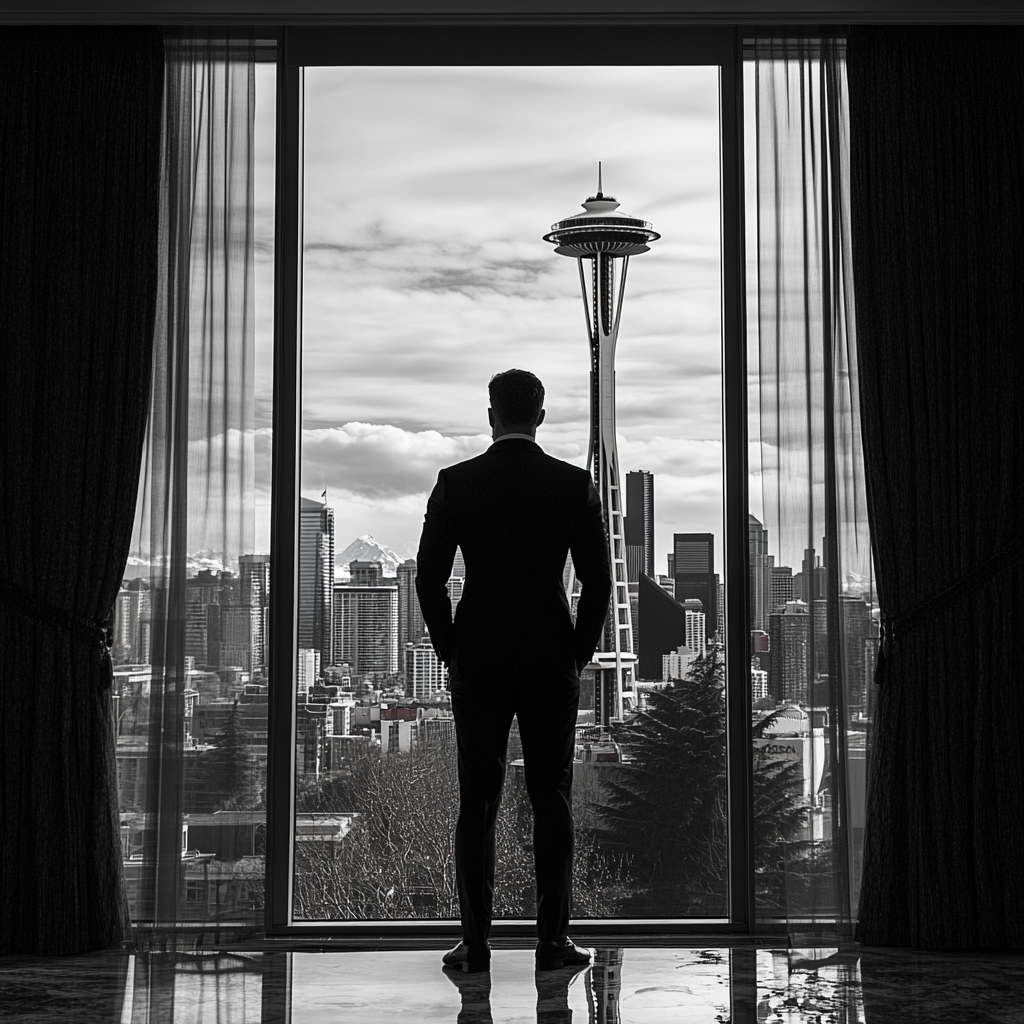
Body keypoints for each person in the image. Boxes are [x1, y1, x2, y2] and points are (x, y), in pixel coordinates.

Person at [416, 368, 612, 975]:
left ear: (492, 414)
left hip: (478, 657)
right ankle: (553, 943)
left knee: (477, 798)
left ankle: (475, 945)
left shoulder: (456, 483)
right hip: (550, 659)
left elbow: (428, 579)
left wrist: (452, 650)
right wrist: (574, 654)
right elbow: (597, 583)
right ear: (541, 416)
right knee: (550, 797)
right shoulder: (573, 485)